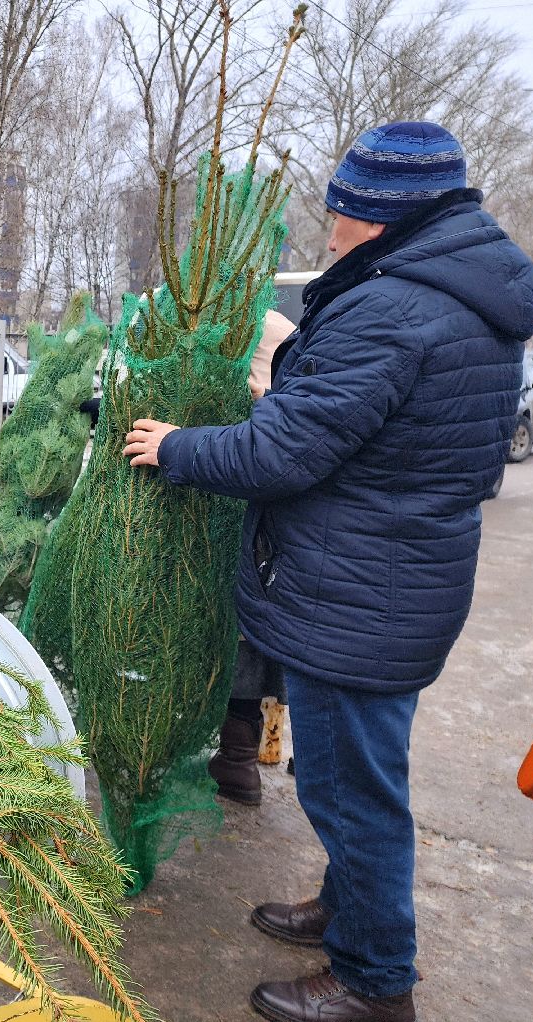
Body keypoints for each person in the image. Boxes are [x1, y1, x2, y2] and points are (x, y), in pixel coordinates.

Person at [122, 122, 533, 1022]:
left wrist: (178, 448)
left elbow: (286, 450)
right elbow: (380, 435)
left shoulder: (400, 308)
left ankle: (376, 981)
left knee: (355, 789)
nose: (329, 230)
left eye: (342, 212)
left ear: (387, 216)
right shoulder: (457, 292)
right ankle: (344, 906)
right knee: (346, 771)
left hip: (362, 590)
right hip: (395, 574)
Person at [210, 307, 297, 806]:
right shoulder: (278, 323)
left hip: (243, 484)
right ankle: (242, 759)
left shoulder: (245, 323)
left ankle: (239, 759)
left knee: (246, 634)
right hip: (266, 499)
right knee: (261, 637)